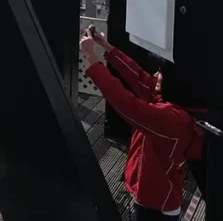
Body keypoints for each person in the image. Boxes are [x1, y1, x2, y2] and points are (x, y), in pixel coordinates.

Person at [80, 27, 205, 220]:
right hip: (156, 195)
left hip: (155, 205)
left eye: (161, 72)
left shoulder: (172, 119)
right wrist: (107, 48)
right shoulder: (178, 105)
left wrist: (92, 59)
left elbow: (125, 103)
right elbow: (139, 77)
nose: (156, 74)